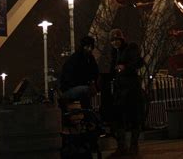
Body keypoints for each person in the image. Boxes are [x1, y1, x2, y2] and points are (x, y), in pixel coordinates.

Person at [108, 28, 145, 157]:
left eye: (116, 39)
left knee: (133, 116)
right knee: (119, 117)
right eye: (112, 40)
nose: (114, 42)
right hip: (120, 89)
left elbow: (138, 62)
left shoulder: (130, 48)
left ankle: (133, 147)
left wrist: (125, 67)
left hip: (131, 88)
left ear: (121, 39)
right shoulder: (114, 52)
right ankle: (122, 147)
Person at [59, 35, 99, 109]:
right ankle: (87, 112)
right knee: (85, 90)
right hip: (69, 89)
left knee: (88, 89)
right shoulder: (75, 59)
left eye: (91, 47)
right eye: (87, 47)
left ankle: (90, 112)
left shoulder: (90, 58)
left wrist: (94, 83)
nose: (89, 49)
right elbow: (71, 78)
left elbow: (95, 72)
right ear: (83, 47)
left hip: (79, 86)